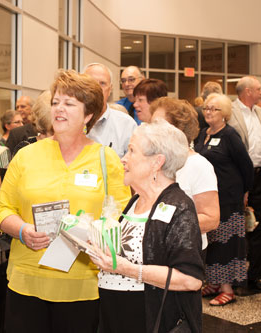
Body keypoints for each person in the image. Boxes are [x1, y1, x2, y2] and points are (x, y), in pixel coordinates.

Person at [0, 69, 131, 333]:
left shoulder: (106, 159)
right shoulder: (26, 156)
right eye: (56, 102)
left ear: (88, 114)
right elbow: (2, 208)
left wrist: (94, 232)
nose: (59, 109)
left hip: (83, 284)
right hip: (27, 280)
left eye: (69, 103)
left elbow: (120, 214)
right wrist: (22, 230)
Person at [91, 120, 204, 333]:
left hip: (148, 319)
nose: (123, 159)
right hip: (115, 315)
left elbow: (190, 279)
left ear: (156, 162)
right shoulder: (135, 201)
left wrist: (126, 269)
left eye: (132, 151)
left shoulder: (178, 206)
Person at [194, 93, 254, 306]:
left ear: (225, 114)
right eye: (206, 108)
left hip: (228, 199)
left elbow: (246, 167)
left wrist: (245, 192)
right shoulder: (202, 134)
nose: (208, 112)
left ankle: (227, 289)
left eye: (214, 109)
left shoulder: (230, 135)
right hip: (208, 198)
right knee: (210, 242)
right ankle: (214, 282)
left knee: (226, 244)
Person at [151, 97, 220, 252]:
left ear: (179, 129)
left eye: (158, 125)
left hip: (185, 252)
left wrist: (167, 225)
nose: (151, 131)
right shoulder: (152, 161)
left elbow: (211, 219)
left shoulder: (199, 165)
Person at [228, 76, 261, 291]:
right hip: (238, 176)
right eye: (258, 89)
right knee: (237, 226)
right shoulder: (230, 111)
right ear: (247, 91)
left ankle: (255, 275)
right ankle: (234, 277)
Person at [83, 63, 137, 158]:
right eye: (91, 82)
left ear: (110, 89)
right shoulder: (69, 122)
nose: (97, 88)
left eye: (102, 83)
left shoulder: (126, 125)